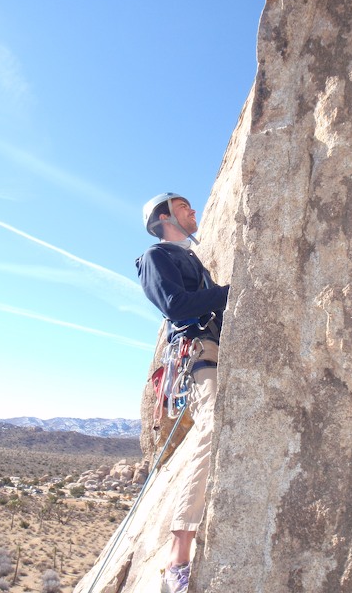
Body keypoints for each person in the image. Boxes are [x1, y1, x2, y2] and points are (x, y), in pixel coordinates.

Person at [136, 193, 229, 593]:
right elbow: (175, 305)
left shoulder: (192, 261)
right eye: (183, 205)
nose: (193, 211)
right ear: (163, 216)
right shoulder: (155, 258)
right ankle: (178, 558)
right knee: (213, 424)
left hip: (217, 346)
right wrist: (230, 292)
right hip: (196, 350)